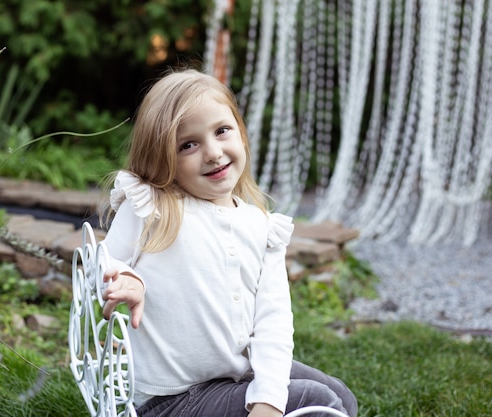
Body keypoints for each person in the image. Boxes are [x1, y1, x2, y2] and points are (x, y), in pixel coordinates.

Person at [99, 68, 358, 417]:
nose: (212, 152)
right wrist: (126, 279)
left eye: (222, 131)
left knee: (340, 394)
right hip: (171, 400)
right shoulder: (153, 206)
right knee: (317, 400)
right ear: (162, 158)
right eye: (188, 144)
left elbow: (273, 321)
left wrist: (267, 400)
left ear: (241, 133)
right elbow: (100, 269)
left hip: (233, 374)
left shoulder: (260, 227)